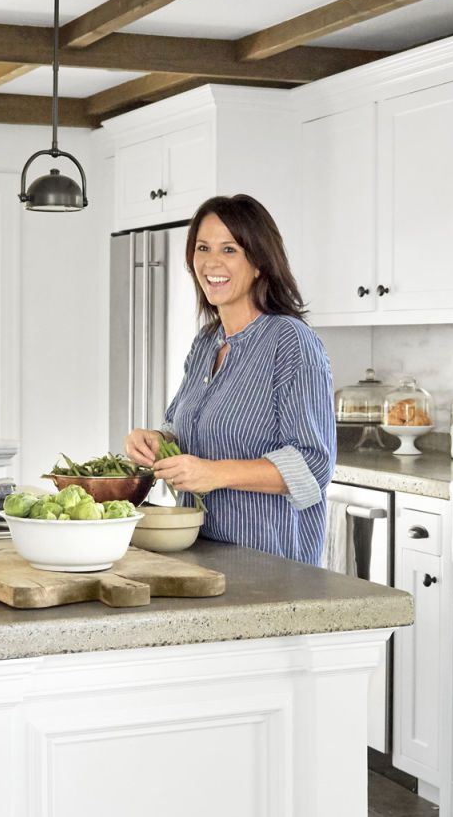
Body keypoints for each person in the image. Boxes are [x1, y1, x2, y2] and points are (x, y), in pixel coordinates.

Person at [124, 194, 335, 564]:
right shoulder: (208, 341)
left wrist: (213, 474)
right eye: (203, 247)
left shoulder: (290, 342)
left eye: (230, 249)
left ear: (259, 263)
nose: (212, 262)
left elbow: (312, 465)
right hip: (200, 554)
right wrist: (157, 441)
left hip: (270, 567)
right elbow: (182, 428)